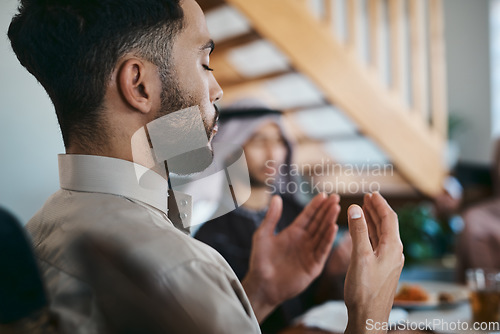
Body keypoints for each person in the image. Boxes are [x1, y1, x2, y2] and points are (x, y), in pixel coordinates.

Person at [8, 0, 404, 333]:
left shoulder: (36, 233)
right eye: (204, 62)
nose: (217, 90)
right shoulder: (181, 267)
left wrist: (260, 293)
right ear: (140, 85)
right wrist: (370, 314)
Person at [194, 105, 352, 332]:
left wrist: (335, 272)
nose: (273, 153)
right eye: (259, 141)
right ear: (229, 149)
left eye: (278, 141)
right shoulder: (209, 233)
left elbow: (319, 301)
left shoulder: (298, 213)